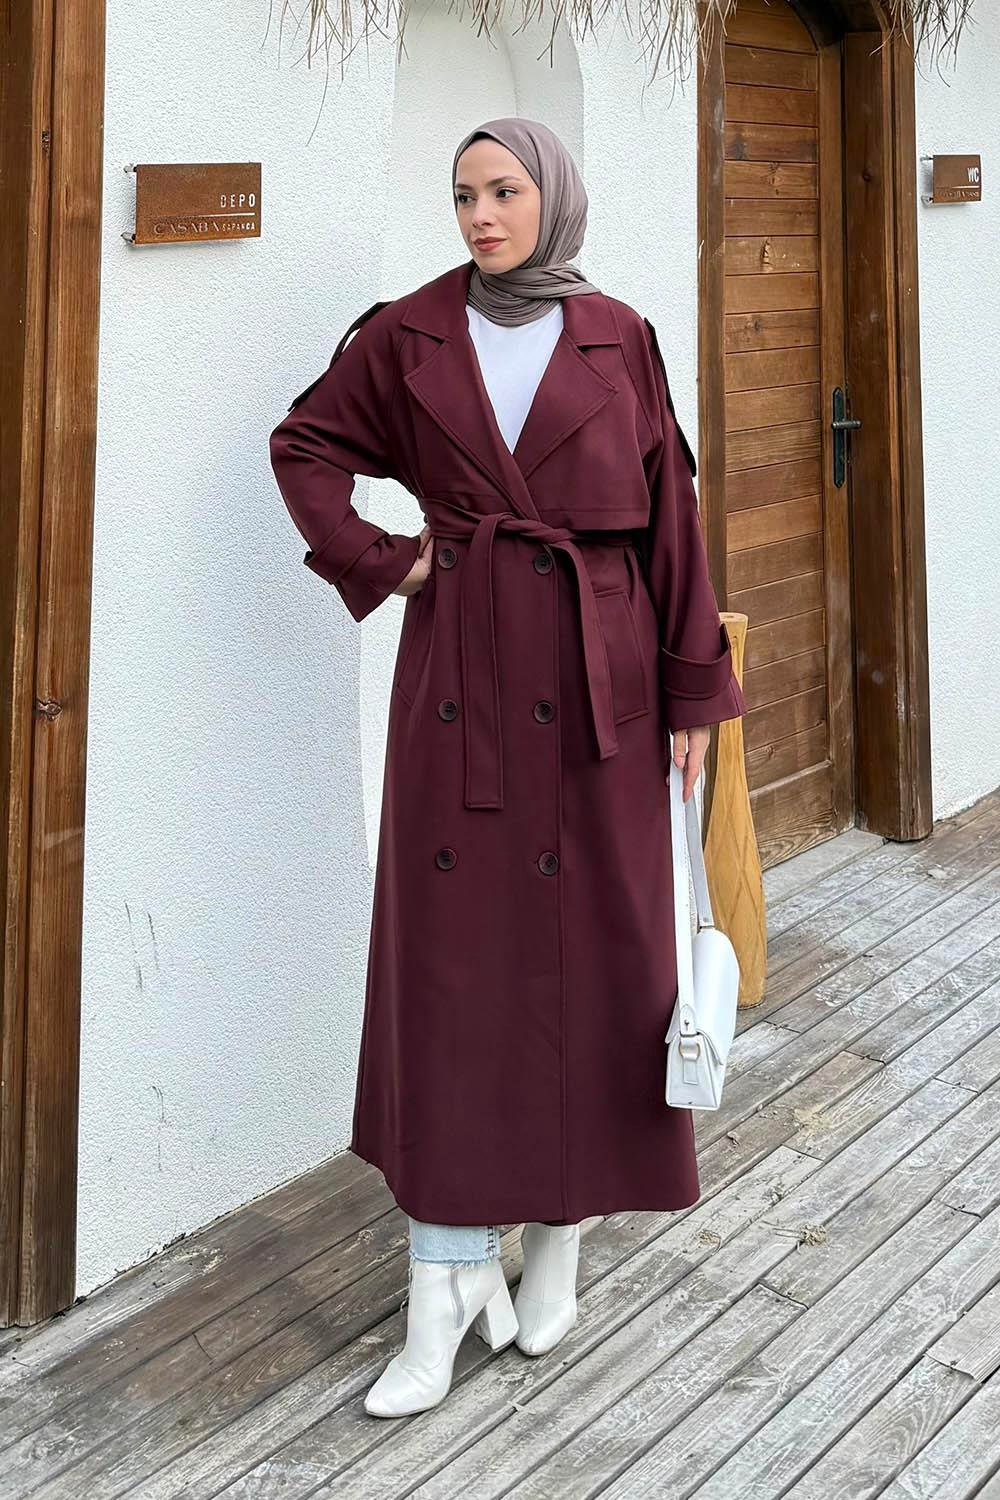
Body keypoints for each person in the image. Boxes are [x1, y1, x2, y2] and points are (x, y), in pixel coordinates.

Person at [269, 116, 746, 1419]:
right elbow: (305, 446)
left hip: (603, 695)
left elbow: (674, 523)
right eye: (464, 195)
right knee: (454, 979)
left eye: (504, 191)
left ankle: (561, 1241)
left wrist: (694, 691)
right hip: (462, 689)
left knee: (599, 971)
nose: (480, 216)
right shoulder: (410, 333)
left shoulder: (619, 336)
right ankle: (442, 1285)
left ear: (554, 199)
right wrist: (387, 560)